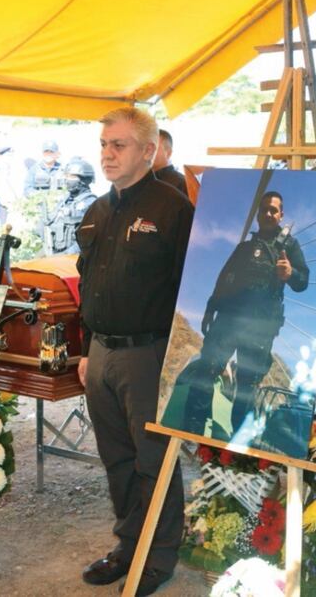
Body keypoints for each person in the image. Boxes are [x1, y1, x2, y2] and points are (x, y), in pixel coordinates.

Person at [76, 107, 193, 595]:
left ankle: (158, 556)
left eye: (118, 145)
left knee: (153, 460)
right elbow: (88, 284)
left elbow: (190, 292)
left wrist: (180, 360)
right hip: (101, 353)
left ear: (148, 151)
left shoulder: (174, 209)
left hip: (149, 355)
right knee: (117, 459)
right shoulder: (96, 211)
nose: (107, 154)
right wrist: (85, 350)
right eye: (104, 144)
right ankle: (129, 544)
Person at [179, 191, 309, 438]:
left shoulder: (290, 246)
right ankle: (192, 434)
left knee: (248, 384)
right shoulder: (243, 248)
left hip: (261, 327)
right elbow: (223, 280)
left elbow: (303, 281)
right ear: (258, 215)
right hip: (228, 320)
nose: (268, 213)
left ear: (281, 215)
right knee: (206, 370)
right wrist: (210, 309)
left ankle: (237, 441)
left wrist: (290, 273)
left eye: (273, 210)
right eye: (264, 209)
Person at [45, 158, 97, 254]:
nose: (67, 179)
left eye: (72, 176)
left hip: (76, 257)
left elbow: (89, 238)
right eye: (66, 176)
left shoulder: (91, 203)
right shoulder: (64, 201)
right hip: (57, 254)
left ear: (84, 180)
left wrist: (66, 254)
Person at [153, 129, 187, 195]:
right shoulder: (140, 179)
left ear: (168, 153)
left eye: (155, 148)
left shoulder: (182, 183)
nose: (148, 152)